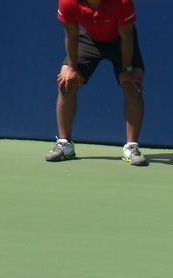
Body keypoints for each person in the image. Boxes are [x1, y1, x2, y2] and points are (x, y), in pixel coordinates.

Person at [45, 0, 148, 166]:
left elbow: (126, 37)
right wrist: (71, 67)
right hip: (88, 39)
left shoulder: (122, 2)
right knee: (68, 82)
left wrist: (127, 70)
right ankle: (65, 144)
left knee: (132, 84)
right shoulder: (68, 2)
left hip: (120, 40)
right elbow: (71, 35)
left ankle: (131, 147)